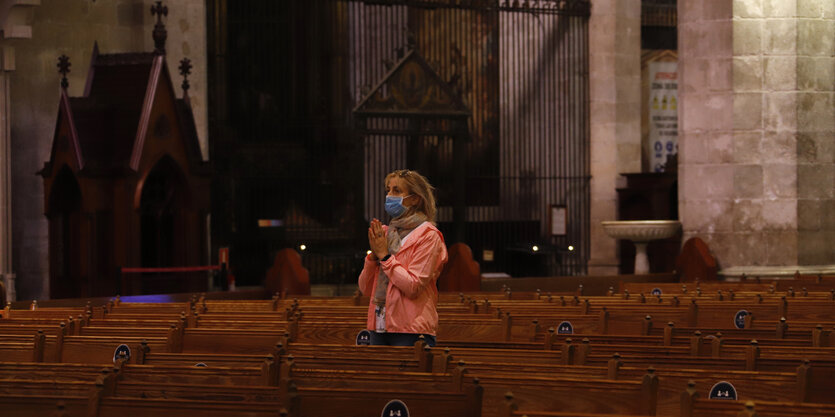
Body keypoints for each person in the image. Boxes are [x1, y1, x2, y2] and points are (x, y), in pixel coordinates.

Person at [358, 169, 448, 347]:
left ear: (415, 199)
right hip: (380, 324)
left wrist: (385, 257)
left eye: (397, 191)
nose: (389, 196)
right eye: (388, 190)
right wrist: (372, 259)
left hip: (411, 330)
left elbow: (413, 286)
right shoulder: (387, 233)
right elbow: (365, 289)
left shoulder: (428, 236)